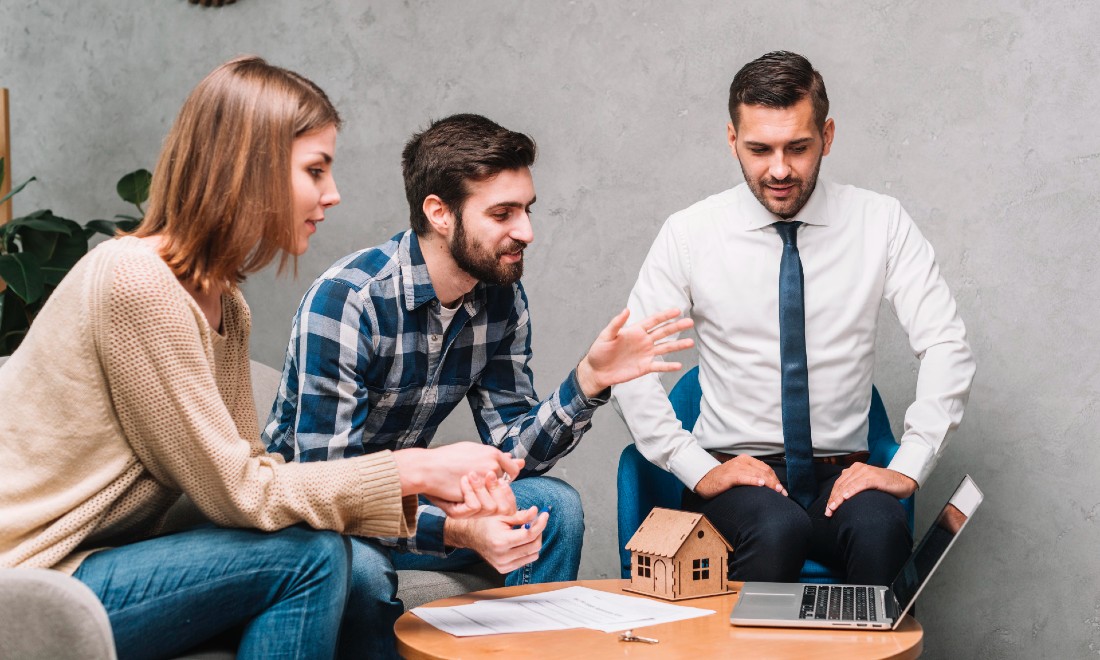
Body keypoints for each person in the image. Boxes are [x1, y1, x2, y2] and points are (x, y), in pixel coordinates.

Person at [0, 57, 520, 660]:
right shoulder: (136, 282)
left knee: (314, 547)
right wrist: (415, 471)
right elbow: (243, 495)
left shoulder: (225, 303)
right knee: (310, 559)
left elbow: (250, 483)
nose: (333, 194)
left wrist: (421, 496)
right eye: (315, 170)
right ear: (249, 168)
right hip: (33, 573)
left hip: (100, 559)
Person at [264, 112, 694, 658]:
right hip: (321, 520)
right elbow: (330, 492)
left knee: (553, 507)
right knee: (365, 573)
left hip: (412, 500)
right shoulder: (348, 302)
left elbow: (513, 453)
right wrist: (458, 529)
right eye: (502, 213)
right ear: (439, 213)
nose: (527, 231)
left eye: (526, 210)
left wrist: (589, 380)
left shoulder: (499, 298)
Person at [612, 51, 976, 586]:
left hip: (842, 477)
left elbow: (947, 345)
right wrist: (699, 467)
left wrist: (909, 462)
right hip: (738, 483)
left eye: (798, 148)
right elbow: (631, 364)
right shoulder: (690, 233)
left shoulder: (881, 223)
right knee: (776, 529)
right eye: (759, 149)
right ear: (732, 140)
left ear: (827, 136)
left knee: (881, 531)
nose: (779, 169)